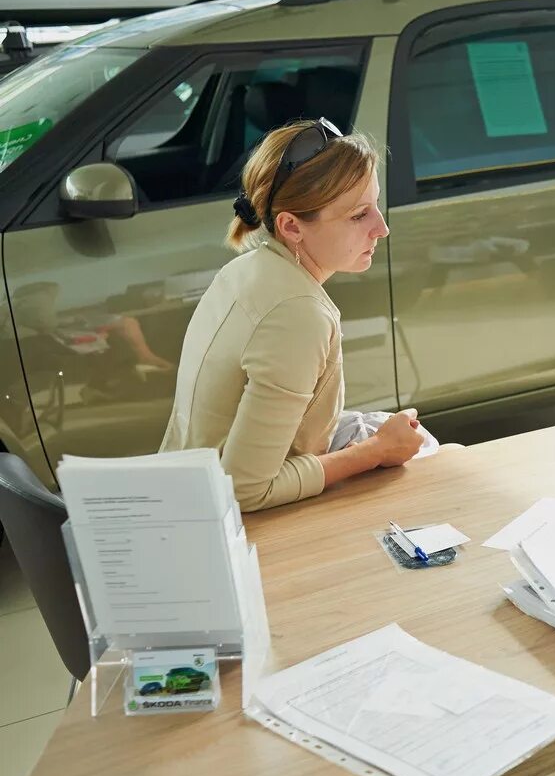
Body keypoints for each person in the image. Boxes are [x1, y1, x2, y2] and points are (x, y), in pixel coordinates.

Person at [161, 119, 433, 512]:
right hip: (230, 528)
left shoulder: (246, 270)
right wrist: (377, 449)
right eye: (359, 215)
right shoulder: (298, 314)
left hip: (182, 496)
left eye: (376, 205)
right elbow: (246, 490)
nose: (382, 228)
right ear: (291, 226)